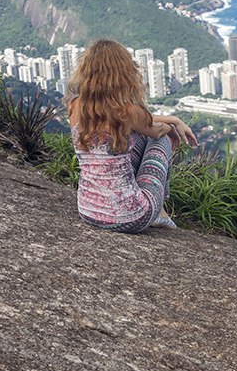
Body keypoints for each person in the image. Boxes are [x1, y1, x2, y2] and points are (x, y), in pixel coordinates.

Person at [66, 39, 198, 233]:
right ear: (123, 71)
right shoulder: (127, 111)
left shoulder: (75, 106)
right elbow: (156, 129)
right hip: (132, 216)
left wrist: (173, 119)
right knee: (160, 139)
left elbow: (140, 122)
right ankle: (160, 212)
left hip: (88, 211)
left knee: (136, 135)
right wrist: (172, 129)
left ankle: (158, 210)